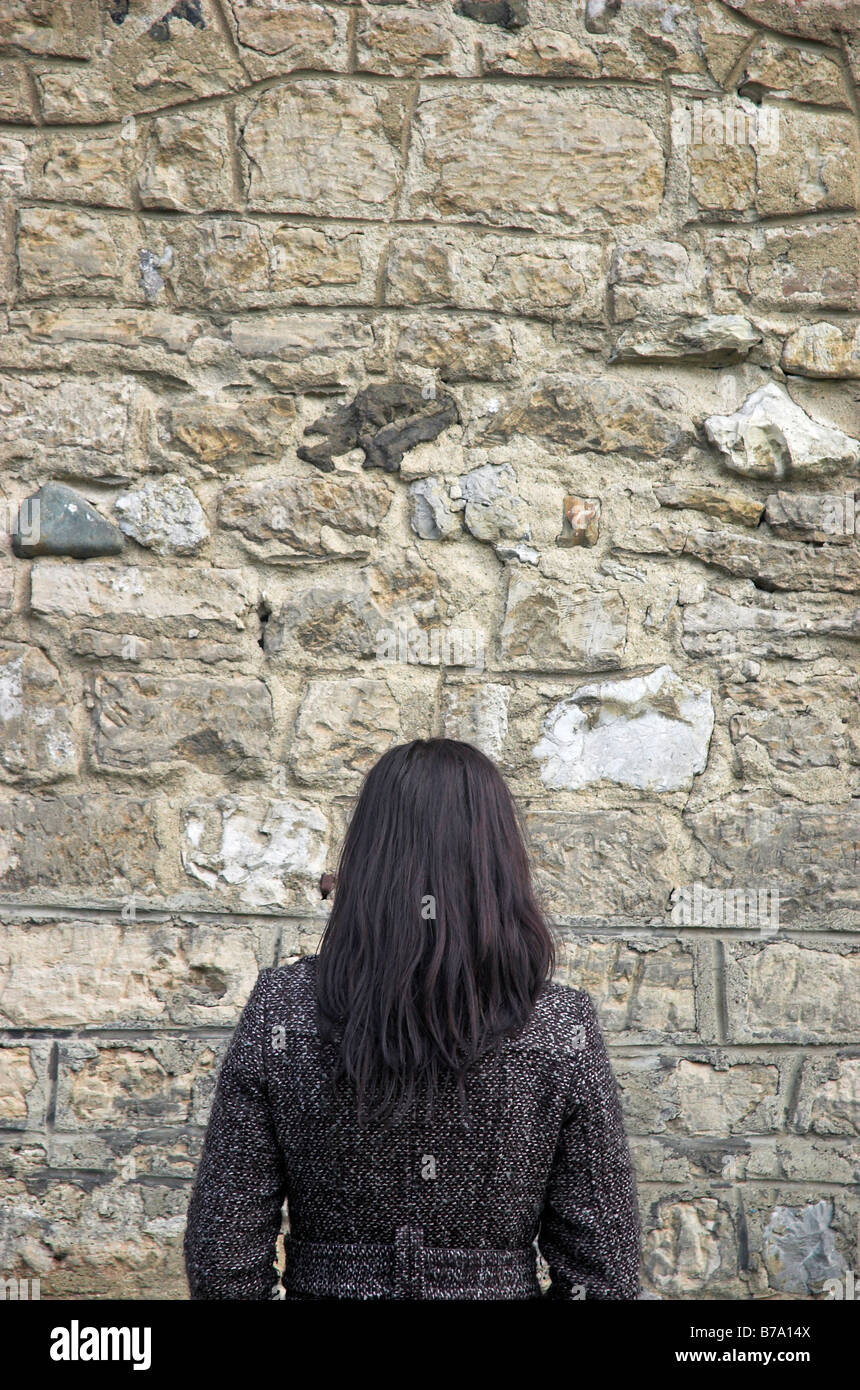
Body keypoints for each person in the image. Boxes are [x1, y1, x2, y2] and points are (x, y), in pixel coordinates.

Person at [183, 738, 641, 1300]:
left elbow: (222, 1257)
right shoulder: (557, 1026)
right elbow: (605, 1273)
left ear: (369, 856)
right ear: (498, 863)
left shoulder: (284, 1007)